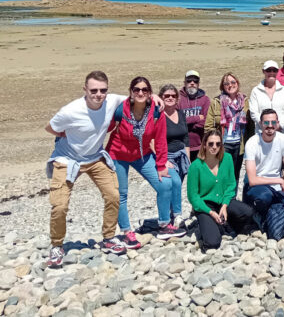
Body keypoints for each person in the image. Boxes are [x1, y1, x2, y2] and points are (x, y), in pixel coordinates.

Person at [44, 71, 128, 268]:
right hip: (67, 160)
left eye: (103, 90)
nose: (98, 94)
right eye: (94, 90)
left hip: (95, 157)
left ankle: (108, 237)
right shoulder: (70, 110)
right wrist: (68, 135)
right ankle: (57, 245)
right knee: (60, 205)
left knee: (113, 195)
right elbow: (50, 127)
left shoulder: (112, 100)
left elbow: (136, 98)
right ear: (85, 90)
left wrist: (156, 96)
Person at [106, 77, 186, 247]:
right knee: (121, 194)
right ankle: (127, 232)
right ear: (131, 92)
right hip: (117, 154)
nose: (140, 93)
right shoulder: (120, 109)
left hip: (142, 154)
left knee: (165, 183)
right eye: (136, 90)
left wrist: (161, 164)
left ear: (150, 93)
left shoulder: (157, 111)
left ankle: (164, 225)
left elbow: (160, 140)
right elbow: (104, 128)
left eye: (144, 90)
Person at [187, 131, 256, 250]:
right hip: (206, 206)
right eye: (211, 144)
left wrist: (224, 206)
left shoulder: (227, 158)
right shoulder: (195, 166)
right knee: (212, 243)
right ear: (204, 145)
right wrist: (211, 213)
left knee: (248, 212)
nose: (214, 147)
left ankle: (226, 224)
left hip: (223, 201)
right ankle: (212, 224)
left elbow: (231, 184)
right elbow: (193, 196)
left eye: (218, 144)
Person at [243, 109, 284, 239]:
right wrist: (279, 181)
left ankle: (273, 217)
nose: (270, 126)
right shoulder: (252, 143)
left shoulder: (283, 139)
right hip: (256, 188)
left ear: (277, 123)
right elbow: (252, 179)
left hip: (276, 187)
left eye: (273, 122)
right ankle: (259, 216)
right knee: (265, 197)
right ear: (260, 123)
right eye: (266, 122)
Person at [204, 72, 250, 192]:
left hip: (239, 144)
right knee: (221, 175)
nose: (230, 85)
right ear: (222, 86)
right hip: (223, 145)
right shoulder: (216, 102)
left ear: (237, 83)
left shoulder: (245, 101)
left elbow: (250, 124)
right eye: (226, 83)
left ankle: (231, 202)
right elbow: (209, 126)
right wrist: (213, 144)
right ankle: (219, 202)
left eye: (233, 82)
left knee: (235, 174)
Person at [159, 84, 190, 223]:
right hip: (167, 157)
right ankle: (177, 215)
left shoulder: (181, 113)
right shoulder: (157, 115)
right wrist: (163, 160)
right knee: (175, 183)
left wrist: (187, 158)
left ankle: (171, 216)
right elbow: (152, 140)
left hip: (181, 155)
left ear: (177, 98)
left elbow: (185, 137)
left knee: (177, 187)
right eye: (167, 96)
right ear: (161, 98)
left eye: (173, 96)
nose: (170, 98)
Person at [249, 60, 284, 135]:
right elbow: (254, 112)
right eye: (268, 70)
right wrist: (266, 125)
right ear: (263, 71)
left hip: (282, 132)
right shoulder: (256, 91)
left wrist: (280, 125)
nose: (271, 73)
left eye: (274, 70)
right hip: (262, 133)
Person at [178, 70, 211, 162]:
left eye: (195, 81)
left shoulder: (205, 100)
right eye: (189, 80)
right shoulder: (178, 99)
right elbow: (177, 121)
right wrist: (196, 118)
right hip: (181, 146)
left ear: (198, 84)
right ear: (185, 83)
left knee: (198, 175)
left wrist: (186, 124)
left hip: (200, 146)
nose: (192, 83)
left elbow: (206, 122)